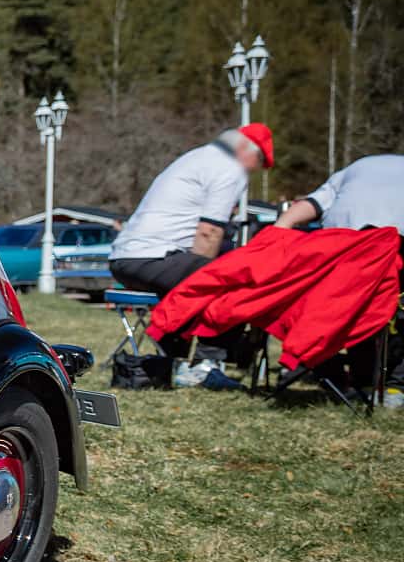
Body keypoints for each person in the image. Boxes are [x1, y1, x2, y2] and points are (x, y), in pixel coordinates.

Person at [108, 123, 274, 389]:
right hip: (153, 256)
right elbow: (208, 233)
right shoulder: (230, 169)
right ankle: (205, 364)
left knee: (206, 280)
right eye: (260, 160)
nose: (256, 169)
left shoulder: (197, 157)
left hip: (124, 258)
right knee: (238, 280)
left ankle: (172, 359)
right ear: (245, 149)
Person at [275, 154, 404, 408]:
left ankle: (364, 381)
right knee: (377, 309)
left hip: (343, 245)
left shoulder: (356, 168)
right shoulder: (361, 169)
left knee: (353, 307)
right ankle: (392, 386)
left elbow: (310, 205)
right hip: (383, 244)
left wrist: (276, 235)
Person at [274, 153, 404, 233]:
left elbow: (312, 204)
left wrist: (279, 229)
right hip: (389, 241)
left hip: (343, 240)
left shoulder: (358, 166)